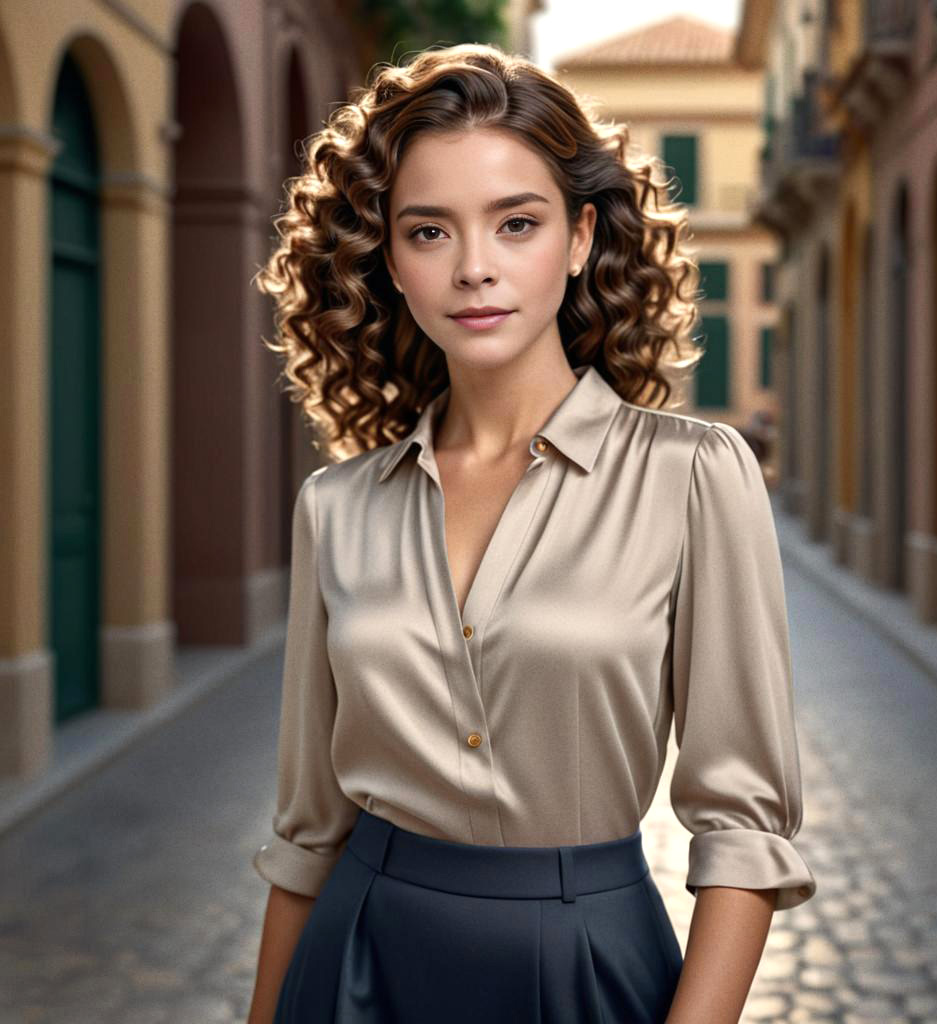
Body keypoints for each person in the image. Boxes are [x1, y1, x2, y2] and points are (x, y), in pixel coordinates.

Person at [246, 42, 816, 1024]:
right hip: (354, 964)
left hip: (587, 964)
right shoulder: (336, 508)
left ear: (582, 236)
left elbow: (742, 826)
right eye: (429, 231)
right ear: (388, 255)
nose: (475, 269)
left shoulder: (691, 478)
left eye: (516, 224)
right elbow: (308, 835)